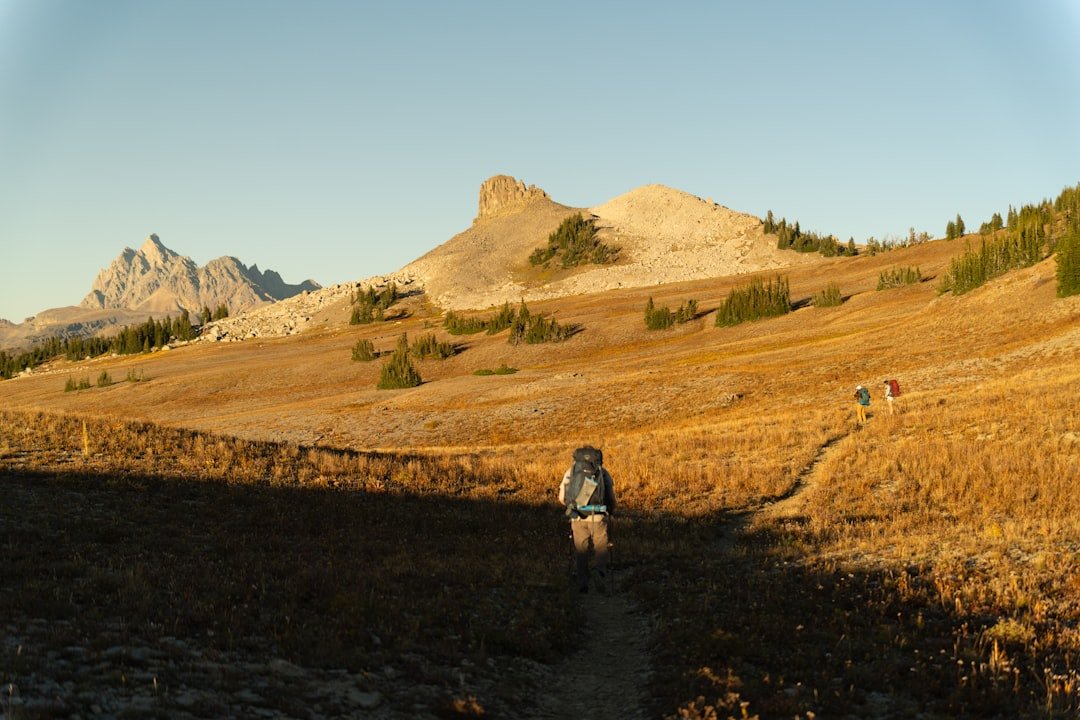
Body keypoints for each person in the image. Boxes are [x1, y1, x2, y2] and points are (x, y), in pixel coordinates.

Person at [558, 446, 616, 594]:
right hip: (598, 516)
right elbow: (610, 497)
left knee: (581, 550)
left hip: (578, 517)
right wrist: (610, 511)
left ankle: (583, 584)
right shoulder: (602, 472)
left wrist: (573, 507)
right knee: (601, 547)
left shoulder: (570, 472)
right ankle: (599, 571)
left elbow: (561, 497)